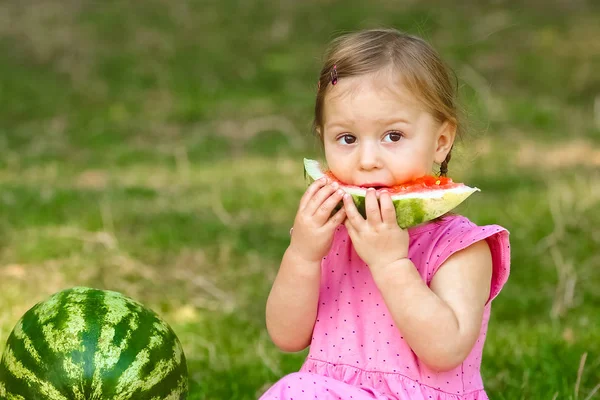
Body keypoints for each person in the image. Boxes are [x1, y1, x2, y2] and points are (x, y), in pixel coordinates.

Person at [260, 28, 510, 400]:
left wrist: (392, 264)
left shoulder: (460, 247)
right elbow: (286, 336)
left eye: (393, 136)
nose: (367, 161)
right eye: (347, 138)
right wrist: (302, 254)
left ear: (441, 142)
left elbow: (447, 349)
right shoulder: (333, 237)